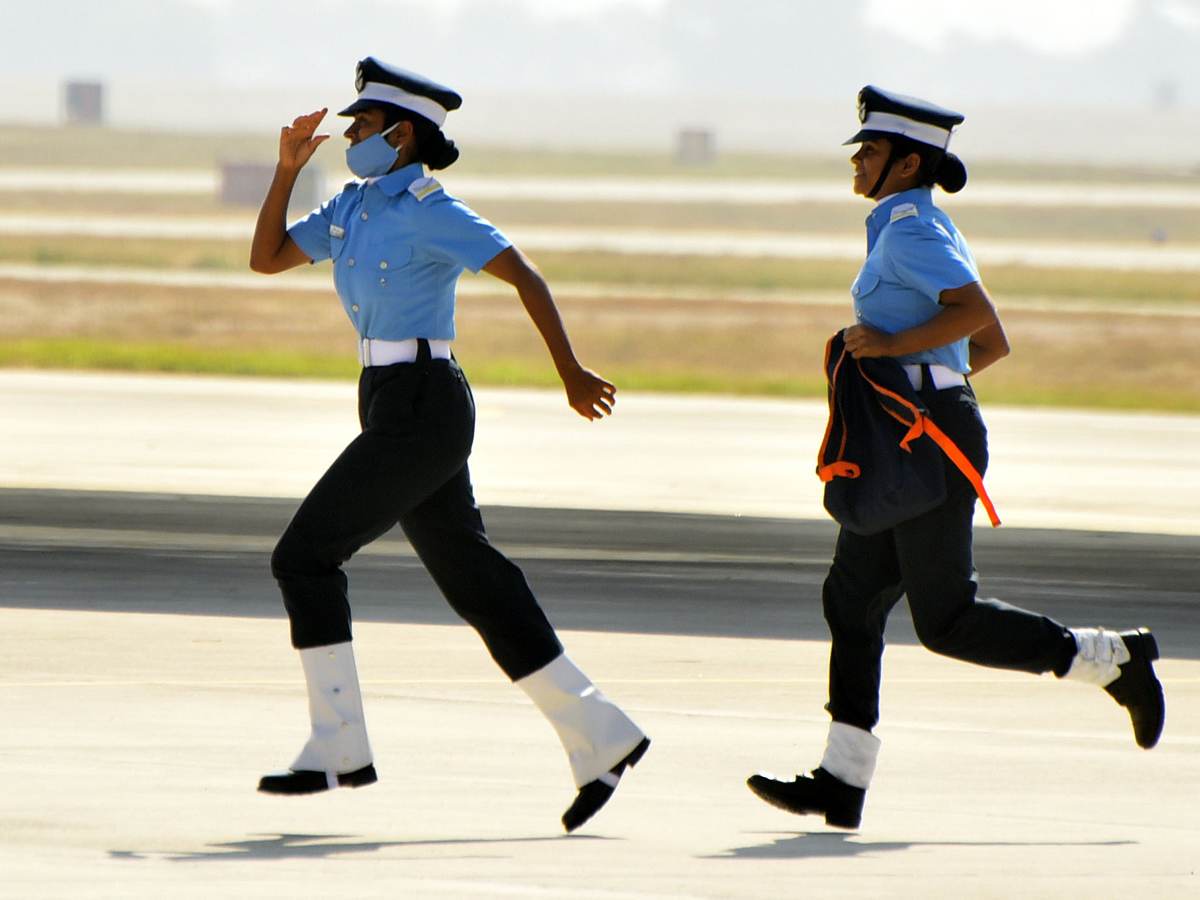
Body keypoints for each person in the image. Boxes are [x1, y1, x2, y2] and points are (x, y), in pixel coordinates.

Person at [746, 86, 1165, 830]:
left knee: (946, 619)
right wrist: (930, 379)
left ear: (907, 163)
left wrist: (897, 355)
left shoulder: (910, 231)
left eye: (870, 152)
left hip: (925, 438)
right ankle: (841, 781)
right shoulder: (904, 226)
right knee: (852, 598)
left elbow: (979, 319)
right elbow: (986, 349)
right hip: (911, 427)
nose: (858, 162)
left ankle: (1112, 659)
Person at [248, 56, 648, 833]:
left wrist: (569, 372)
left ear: (400, 136)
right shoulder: (352, 207)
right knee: (476, 581)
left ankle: (338, 743)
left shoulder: (432, 209)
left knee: (304, 555)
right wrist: (286, 171)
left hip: (426, 407)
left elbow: (525, 274)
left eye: (360, 127)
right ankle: (602, 735)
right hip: (387, 400)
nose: (348, 137)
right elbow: (265, 258)